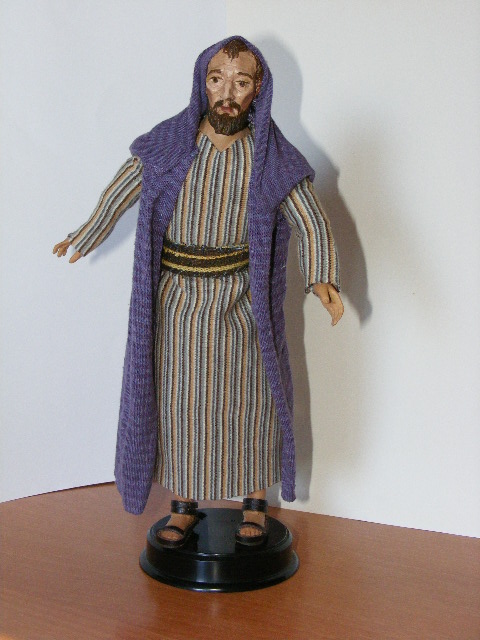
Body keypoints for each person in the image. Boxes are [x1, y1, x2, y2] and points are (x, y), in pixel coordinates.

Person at [53, 36, 343, 548]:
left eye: (241, 81)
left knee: (251, 401)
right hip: (177, 303)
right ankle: (184, 504)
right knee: (179, 403)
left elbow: (310, 218)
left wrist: (321, 276)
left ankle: (255, 501)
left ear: (258, 89)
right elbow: (123, 187)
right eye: (217, 79)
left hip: (242, 304)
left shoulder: (272, 159)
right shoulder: (169, 144)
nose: (227, 93)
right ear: (201, 83)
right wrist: (88, 232)